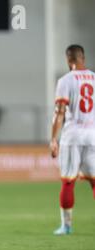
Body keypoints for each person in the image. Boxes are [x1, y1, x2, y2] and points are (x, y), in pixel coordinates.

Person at [50, 45, 95, 235]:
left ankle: (66, 226)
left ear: (69, 60)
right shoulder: (94, 77)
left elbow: (60, 113)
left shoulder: (65, 81)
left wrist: (53, 139)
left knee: (68, 182)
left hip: (72, 136)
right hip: (93, 135)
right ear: (83, 58)